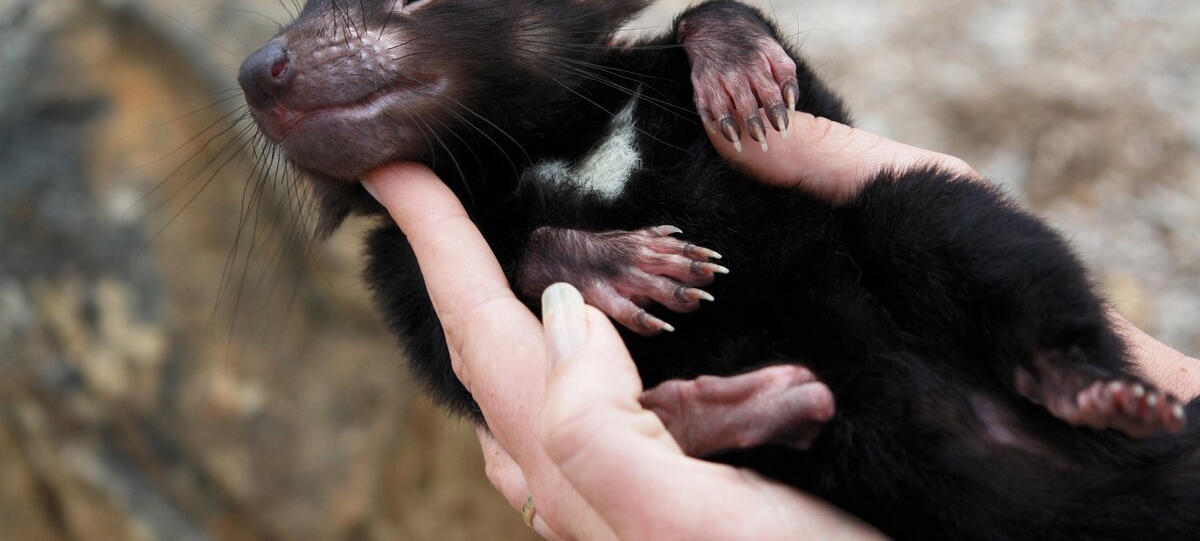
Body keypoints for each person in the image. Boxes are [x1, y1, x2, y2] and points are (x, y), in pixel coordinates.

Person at [362, 110, 1200, 540]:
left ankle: (1061, 358)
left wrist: (725, 33)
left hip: (942, 317)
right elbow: (464, 366)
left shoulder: (663, 65)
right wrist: (544, 260)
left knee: (917, 209)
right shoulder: (408, 257)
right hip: (868, 429)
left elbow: (793, 114)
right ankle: (722, 425)